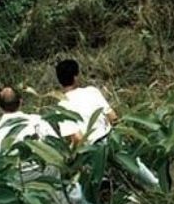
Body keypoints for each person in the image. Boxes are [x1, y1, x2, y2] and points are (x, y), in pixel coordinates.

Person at [55, 60, 159, 196]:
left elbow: (77, 137)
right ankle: (155, 186)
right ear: (76, 76)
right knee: (134, 165)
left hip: (91, 148)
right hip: (111, 138)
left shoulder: (62, 106)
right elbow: (112, 116)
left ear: (59, 80)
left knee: (89, 183)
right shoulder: (91, 91)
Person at [0, 87, 77, 204]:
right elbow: (55, 144)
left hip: (19, 177)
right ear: (21, 102)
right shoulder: (37, 120)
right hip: (46, 169)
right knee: (58, 200)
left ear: (0, 107)